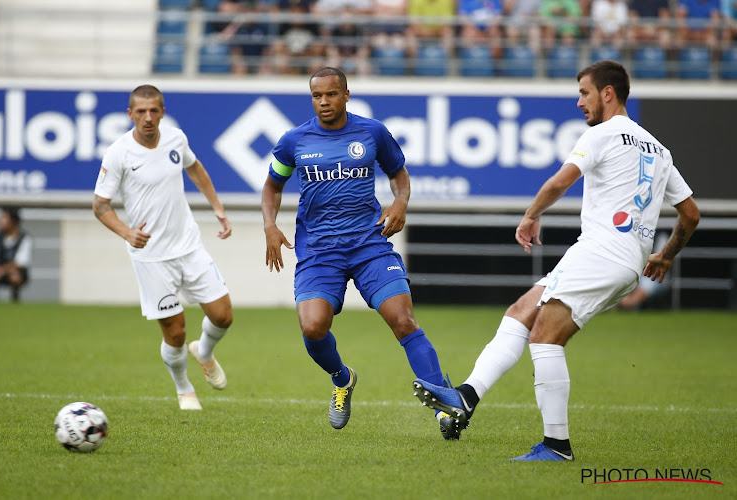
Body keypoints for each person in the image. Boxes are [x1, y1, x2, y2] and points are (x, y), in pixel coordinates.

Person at [413, 60, 700, 459]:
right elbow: (691, 214)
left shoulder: (603, 134)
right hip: (619, 259)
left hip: (601, 253)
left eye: (584, 92)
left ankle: (556, 444)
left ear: (607, 93)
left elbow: (561, 180)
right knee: (521, 311)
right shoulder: (658, 149)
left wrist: (531, 216)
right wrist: (666, 257)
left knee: (545, 335)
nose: (579, 101)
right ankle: (466, 396)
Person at [262, 67, 452, 436]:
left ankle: (444, 407)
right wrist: (270, 225)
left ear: (346, 95)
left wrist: (400, 203)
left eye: (331, 95)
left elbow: (399, 174)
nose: (323, 102)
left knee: (403, 320)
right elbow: (272, 186)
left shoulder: (372, 132)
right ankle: (342, 378)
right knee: (313, 326)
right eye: (317, 96)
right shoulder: (294, 140)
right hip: (319, 250)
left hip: (369, 244)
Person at [93, 85, 234, 411]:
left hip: (188, 246)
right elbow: (100, 205)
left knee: (223, 316)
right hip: (151, 258)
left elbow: (195, 168)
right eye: (140, 112)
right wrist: (127, 233)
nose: (148, 118)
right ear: (130, 114)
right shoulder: (118, 153)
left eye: (154, 111)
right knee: (175, 333)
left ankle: (206, 352)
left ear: (162, 111)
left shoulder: (176, 138)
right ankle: (184, 388)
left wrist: (218, 208)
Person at [0, 207, 32, 302]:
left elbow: (20, 262)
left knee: (15, 276)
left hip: (12, 272)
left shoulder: (25, 238)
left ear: (13, 221)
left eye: (4, 218)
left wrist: (2, 270)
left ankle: (15, 299)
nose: (0, 221)